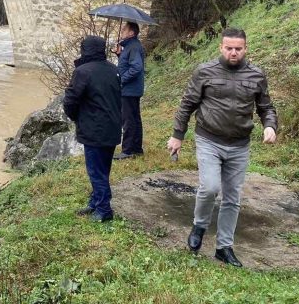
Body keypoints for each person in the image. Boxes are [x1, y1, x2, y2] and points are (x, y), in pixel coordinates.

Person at [166, 28, 277, 267]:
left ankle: (224, 247)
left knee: (232, 197)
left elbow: (266, 107)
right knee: (209, 188)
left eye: (238, 48)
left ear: (245, 49)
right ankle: (200, 225)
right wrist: (177, 136)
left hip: (239, 144)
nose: (234, 53)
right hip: (209, 139)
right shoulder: (205, 71)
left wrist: (270, 126)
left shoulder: (256, 75)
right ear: (221, 48)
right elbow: (187, 104)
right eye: (229, 48)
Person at [64, 35, 122, 222]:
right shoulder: (114, 70)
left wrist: (77, 118)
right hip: (113, 127)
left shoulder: (82, 71)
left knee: (96, 172)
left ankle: (104, 210)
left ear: (85, 50)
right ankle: (95, 201)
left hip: (94, 129)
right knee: (103, 169)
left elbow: (70, 101)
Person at [112, 21, 145, 159]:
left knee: (128, 120)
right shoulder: (130, 46)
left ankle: (128, 150)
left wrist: (121, 79)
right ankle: (136, 148)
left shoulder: (133, 47)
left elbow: (136, 67)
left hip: (129, 90)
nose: (122, 31)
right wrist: (120, 55)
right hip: (132, 89)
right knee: (134, 119)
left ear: (131, 33)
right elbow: (128, 64)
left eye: (125, 29)